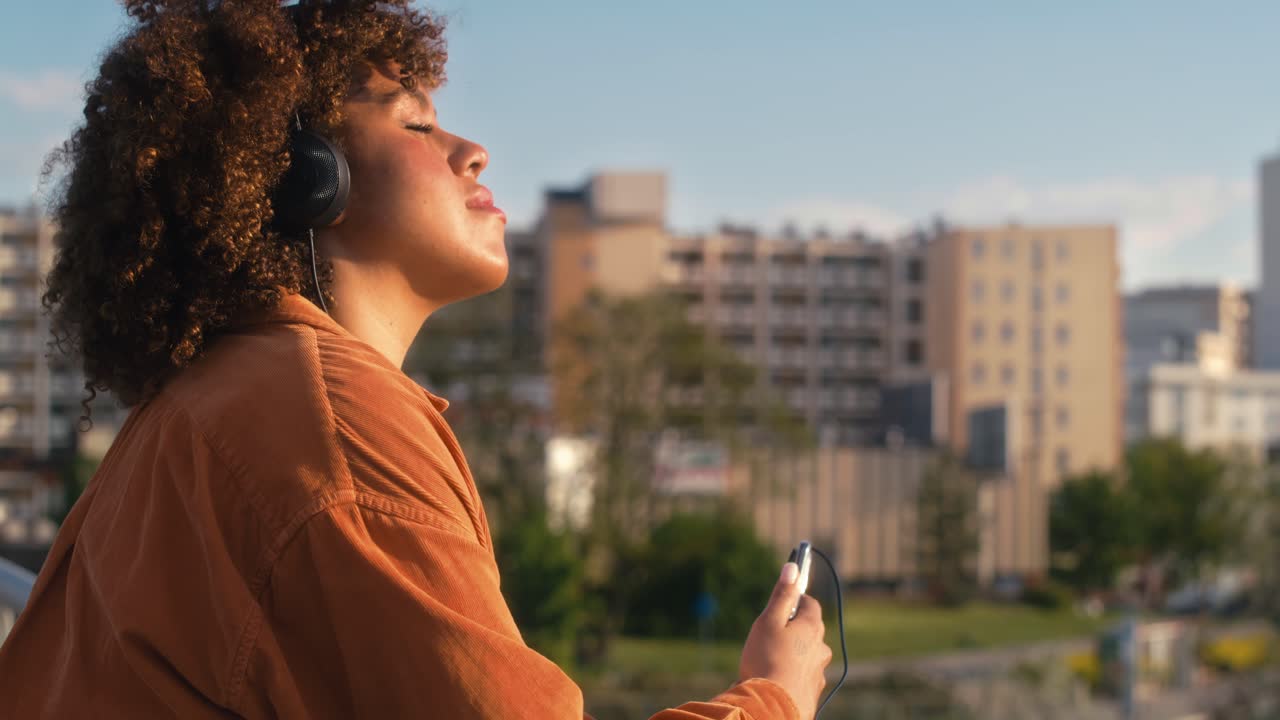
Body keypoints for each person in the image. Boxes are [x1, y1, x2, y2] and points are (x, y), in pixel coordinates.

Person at [0, 1, 832, 718]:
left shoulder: (213, 404)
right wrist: (776, 694)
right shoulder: (329, 427)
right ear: (305, 180)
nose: (473, 151)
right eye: (417, 123)